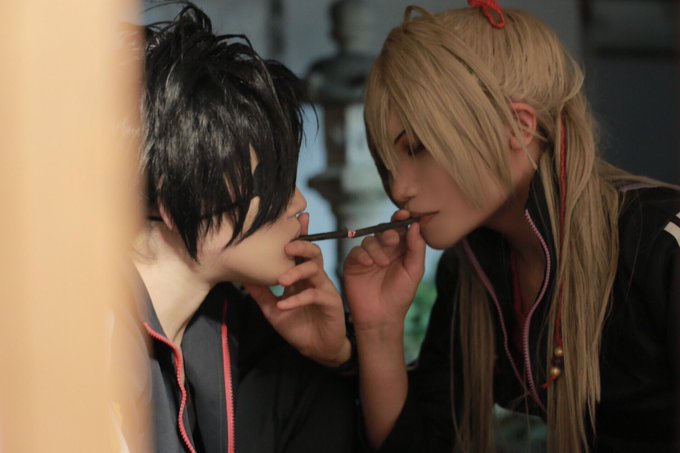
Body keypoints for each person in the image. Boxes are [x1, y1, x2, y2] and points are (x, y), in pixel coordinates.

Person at [343, 2, 680, 452]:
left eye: (418, 147)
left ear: (519, 128)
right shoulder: (470, 272)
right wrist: (378, 329)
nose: (398, 188)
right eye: (387, 163)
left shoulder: (662, 247)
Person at [127, 4, 359, 452]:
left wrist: (334, 358)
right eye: (270, 179)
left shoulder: (239, 337)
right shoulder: (87, 345)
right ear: (177, 194)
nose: (298, 203)